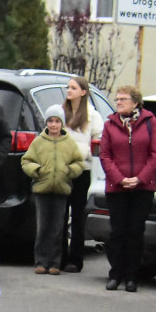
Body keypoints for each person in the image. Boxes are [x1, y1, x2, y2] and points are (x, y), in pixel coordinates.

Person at [98, 85, 156, 293]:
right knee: (118, 232)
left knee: (135, 231)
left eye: (123, 99)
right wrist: (120, 178)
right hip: (117, 187)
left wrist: (140, 178)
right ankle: (116, 274)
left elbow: (155, 154)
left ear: (135, 102)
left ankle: (132, 277)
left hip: (142, 188)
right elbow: (105, 155)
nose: (118, 102)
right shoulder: (110, 124)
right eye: (117, 99)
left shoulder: (150, 122)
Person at [21, 104, 84, 275]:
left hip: (61, 190)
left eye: (57, 121)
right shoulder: (39, 142)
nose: (54, 125)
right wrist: (37, 170)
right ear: (46, 123)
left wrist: (70, 171)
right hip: (42, 189)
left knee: (57, 229)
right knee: (42, 228)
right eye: (51, 121)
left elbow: (79, 162)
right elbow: (26, 161)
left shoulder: (69, 143)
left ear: (62, 124)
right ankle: (41, 261)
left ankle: (55, 262)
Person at [60, 76, 104, 273]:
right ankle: (58, 257)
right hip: (61, 169)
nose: (69, 90)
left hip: (82, 170)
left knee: (78, 215)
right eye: (68, 87)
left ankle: (76, 259)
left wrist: (79, 152)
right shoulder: (61, 112)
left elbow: (96, 144)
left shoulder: (92, 116)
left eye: (73, 87)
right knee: (60, 215)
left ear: (83, 92)